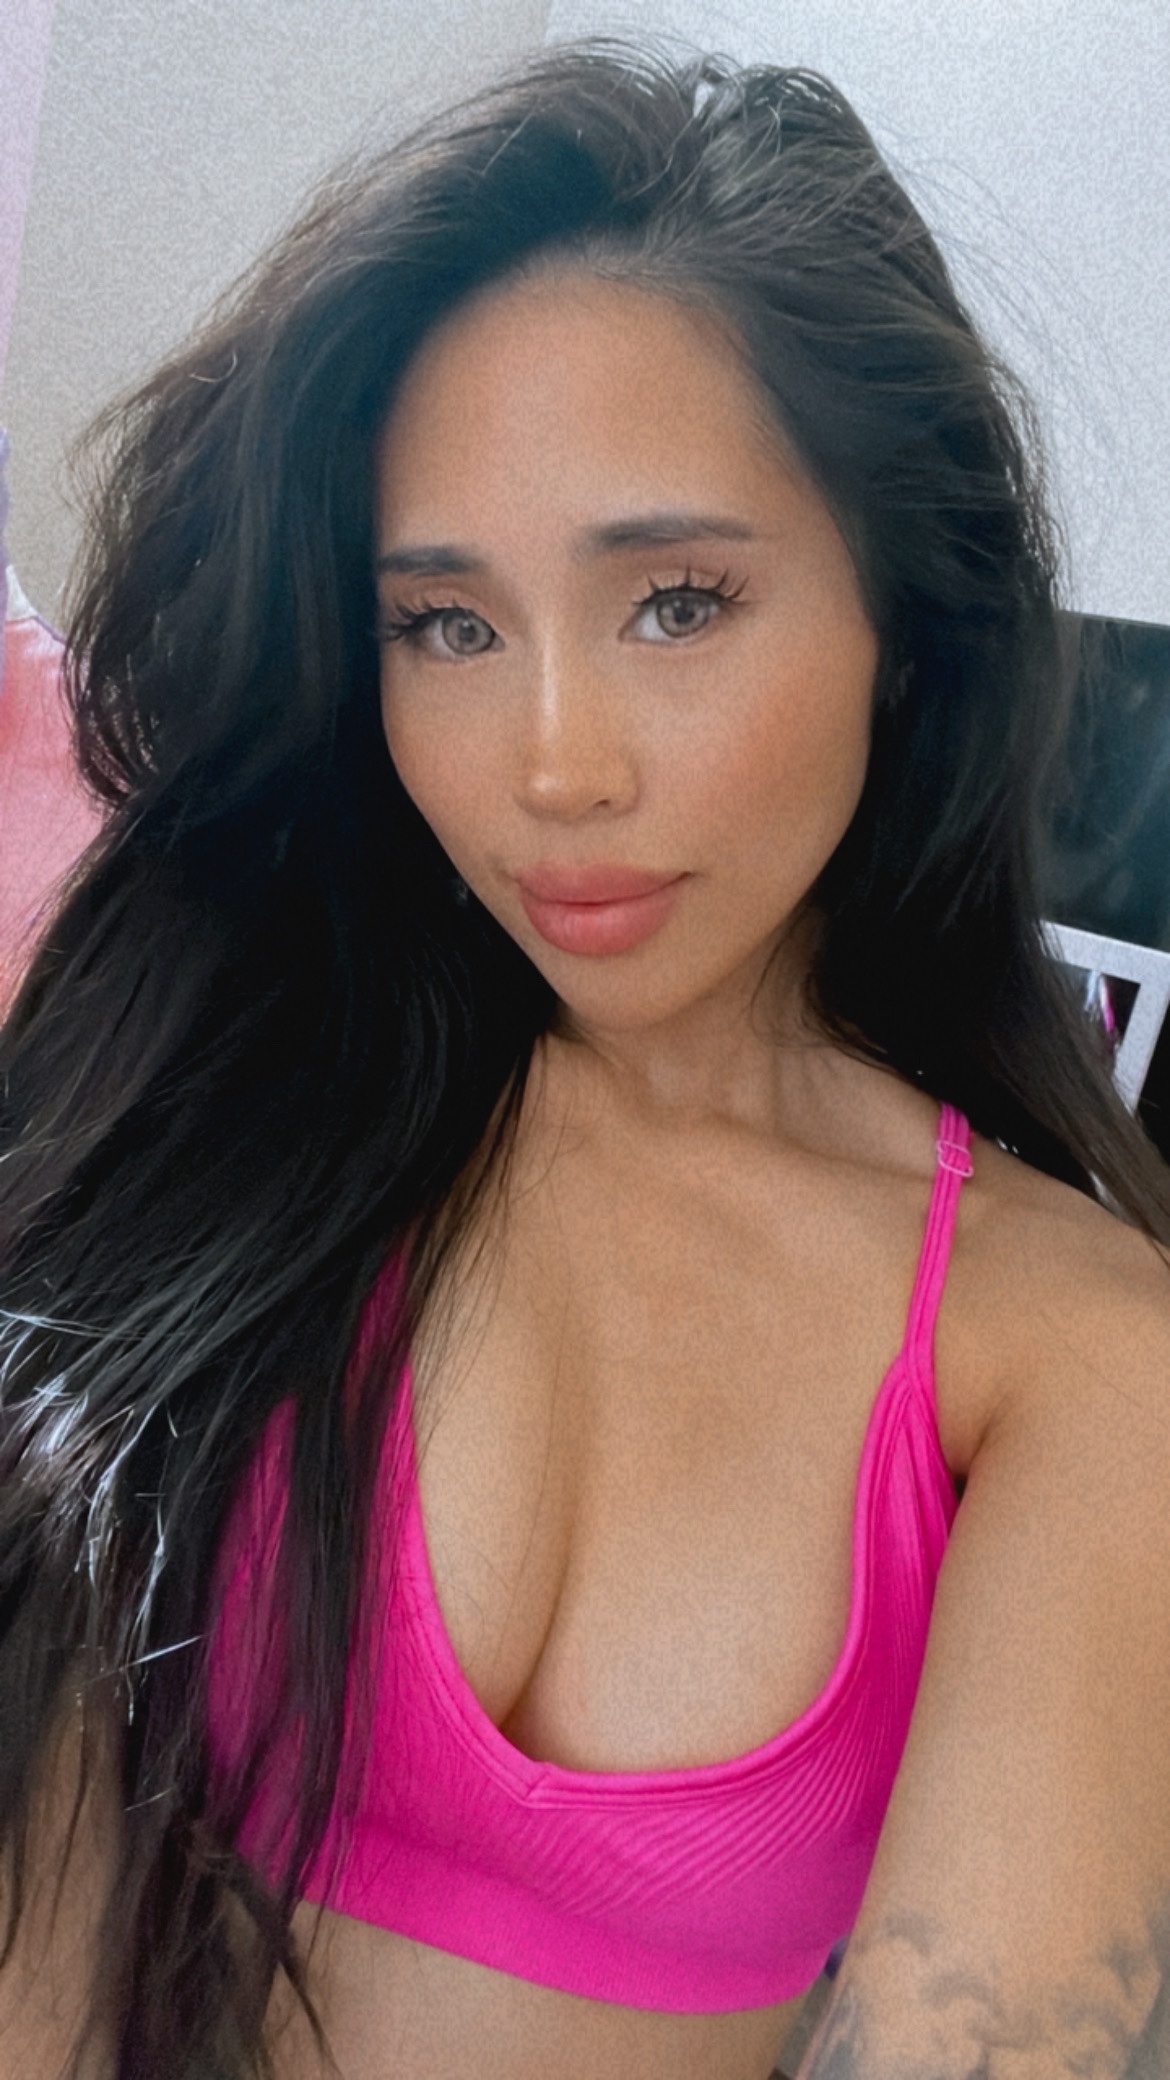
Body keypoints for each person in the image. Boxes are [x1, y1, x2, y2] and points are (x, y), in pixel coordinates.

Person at [2, 33, 1169, 2080]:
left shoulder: (1070, 1354)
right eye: (447, 625)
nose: (552, 767)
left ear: (912, 619)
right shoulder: (228, 1077)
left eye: (677, 603)